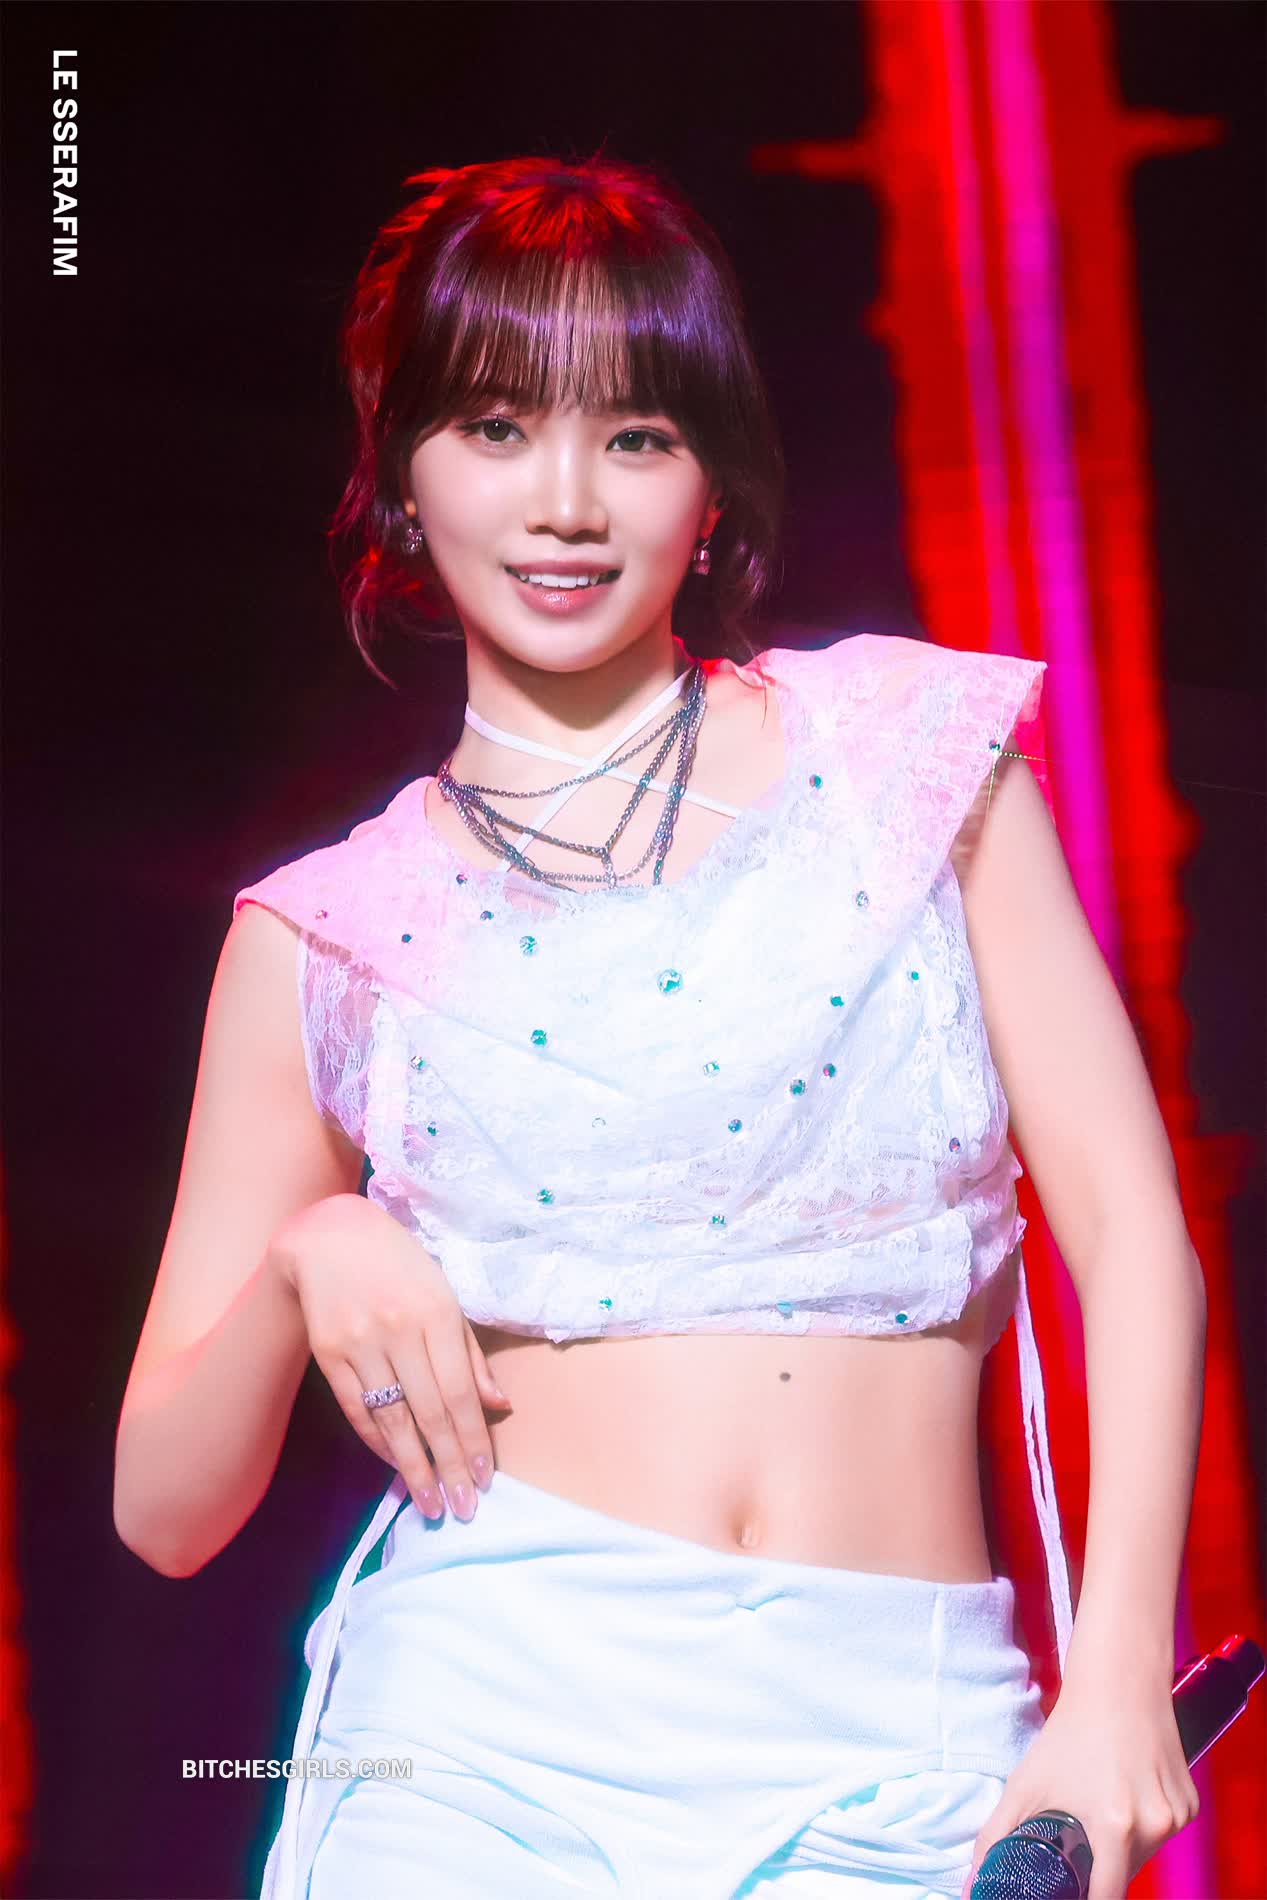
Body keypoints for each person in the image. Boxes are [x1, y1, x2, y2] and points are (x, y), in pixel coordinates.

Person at [114, 154, 1203, 1900]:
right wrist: (314, 1256)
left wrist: (1120, 1681)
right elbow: (164, 1509)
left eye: (633, 436)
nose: (565, 502)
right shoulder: (327, 931)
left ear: (710, 488)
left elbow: (1135, 1239)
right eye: (495, 429)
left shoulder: (915, 761)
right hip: (474, 1750)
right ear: (402, 482)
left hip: (898, 1754)